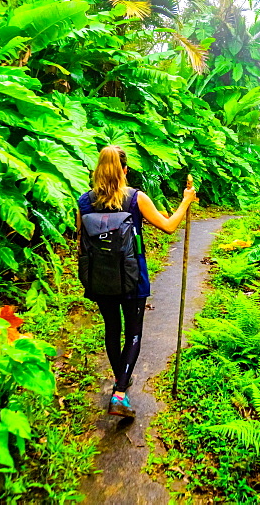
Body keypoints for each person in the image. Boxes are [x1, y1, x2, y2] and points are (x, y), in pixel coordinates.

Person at [77, 145, 196, 417]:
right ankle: (120, 393)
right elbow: (168, 226)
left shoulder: (84, 202)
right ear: (125, 170)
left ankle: (121, 380)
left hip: (99, 278)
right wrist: (186, 201)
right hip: (132, 276)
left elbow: (81, 243)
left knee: (112, 329)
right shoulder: (135, 198)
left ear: (97, 170)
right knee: (133, 333)